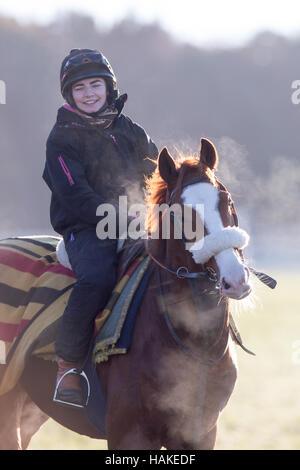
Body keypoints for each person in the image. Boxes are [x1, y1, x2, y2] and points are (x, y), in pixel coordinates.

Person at [43, 48, 158, 407]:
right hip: (86, 228)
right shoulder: (60, 139)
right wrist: (122, 216)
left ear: (109, 87)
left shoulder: (130, 129)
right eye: (80, 88)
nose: (89, 93)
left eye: (96, 84)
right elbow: (75, 195)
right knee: (97, 278)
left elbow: (156, 176)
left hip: (138, 222)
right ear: (69, 95)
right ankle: (68, 367)